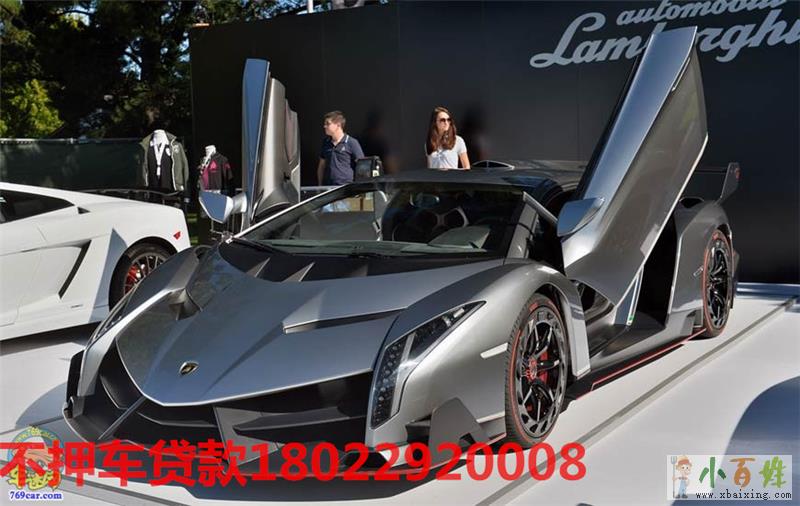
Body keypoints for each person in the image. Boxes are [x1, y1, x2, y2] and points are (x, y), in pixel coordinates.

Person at [317, 111, 364, 185]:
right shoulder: (326, 142)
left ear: (338, 125)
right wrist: (319, 186)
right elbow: (321, 166)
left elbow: (362, 166)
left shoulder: (351, 142)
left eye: (328, 124)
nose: (324, 126)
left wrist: (359, 186)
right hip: (327, 188)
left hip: (346, 187)